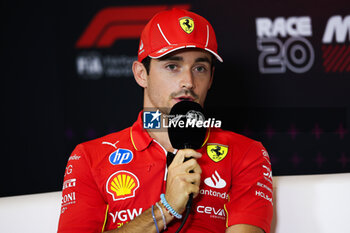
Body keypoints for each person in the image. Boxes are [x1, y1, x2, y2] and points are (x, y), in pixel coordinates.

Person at [58, 8, 273, 233]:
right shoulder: (90, 157)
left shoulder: (246, 154)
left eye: (200, 68)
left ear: (211, 79)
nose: (188, 81)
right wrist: (165, 209)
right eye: (172, 66)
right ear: (142, 74)